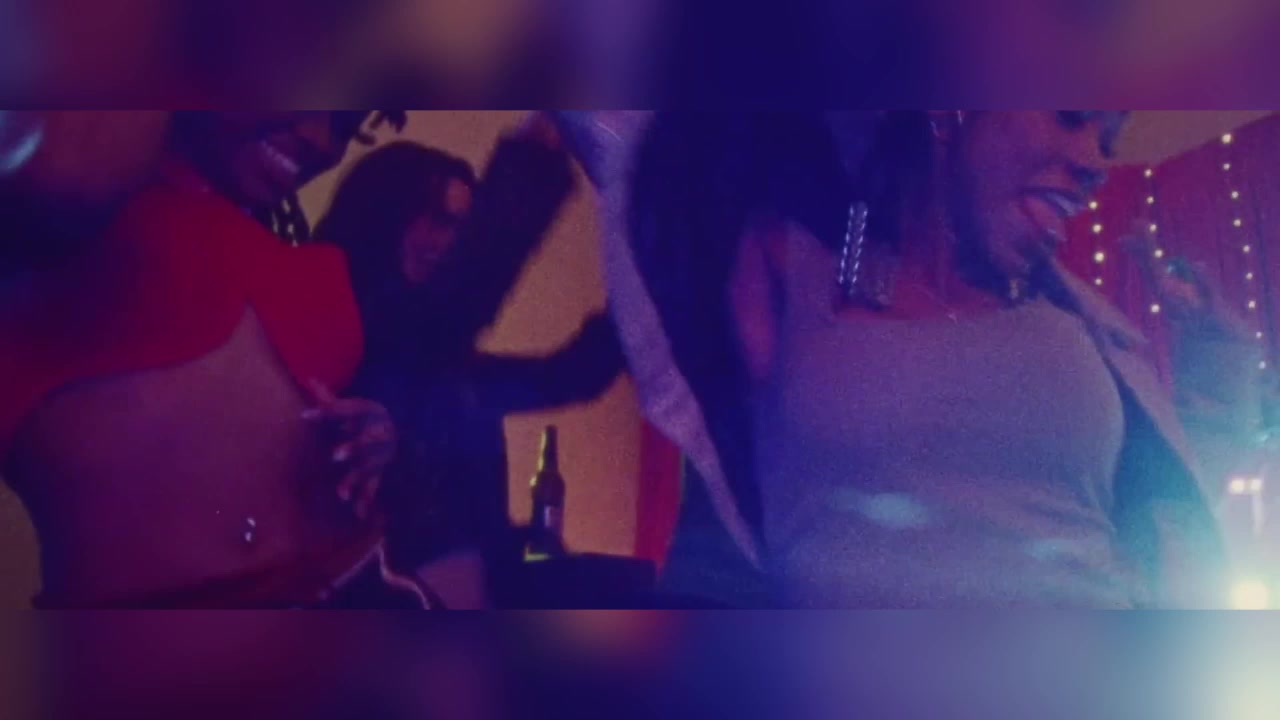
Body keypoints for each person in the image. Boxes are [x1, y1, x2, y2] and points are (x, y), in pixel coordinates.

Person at [567, 110, 1259, 609]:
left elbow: (1165, 515)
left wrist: (1216, 367)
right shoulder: (796, 268)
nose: (1095, 162)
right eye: (1072, 117)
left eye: (1108, 139)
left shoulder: (1080, 324)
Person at [0, 111, 428, 607]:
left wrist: (374, 439)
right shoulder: (62, 210)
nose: (319, 139)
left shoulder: (295, 257)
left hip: (361, 588)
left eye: (344, 126)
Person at [315, 128, 623, 607]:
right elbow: (452, 306)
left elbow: (570, 377)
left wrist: (651, 292)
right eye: (438, 220)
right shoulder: (346, 340)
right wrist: (534, 158)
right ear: (382, 216)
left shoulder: (448, 374)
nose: (448, 243)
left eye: (462, 227)